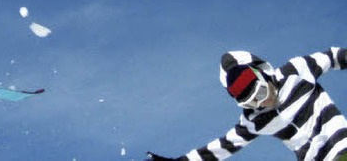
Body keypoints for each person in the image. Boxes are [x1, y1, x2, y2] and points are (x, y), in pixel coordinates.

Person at [147, 48, 347, 161]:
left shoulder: (295, 71)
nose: (262, 102)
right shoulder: (255, 120)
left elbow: (333, 57)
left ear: (262, 73)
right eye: (252, 102)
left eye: (260, 92)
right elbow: (220, 148)